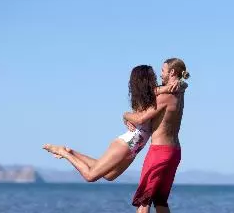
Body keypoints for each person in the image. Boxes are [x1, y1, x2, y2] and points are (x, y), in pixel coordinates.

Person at [42, 65, 186, 182]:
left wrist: (180, 83)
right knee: (90, 176)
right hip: (128, 142)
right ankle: (63, 153)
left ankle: (70, 151)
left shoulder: (152, 94)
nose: (156, 77)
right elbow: (141, 117)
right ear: (146, 79)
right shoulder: (150, 95)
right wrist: (125, 115)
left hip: (136, 147)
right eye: (153, 76)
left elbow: (180, 86)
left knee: (109, 176)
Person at [124, 58, 188, 213]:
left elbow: (142, 117)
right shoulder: (180, 91)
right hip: (174, 152)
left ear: (172, 73)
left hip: (159, 152)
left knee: (144, 199)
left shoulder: (164, 96)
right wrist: (181, 82)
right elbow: (183, 84)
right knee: (160, 200)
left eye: (163, 70)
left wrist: (125, 115)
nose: (160, 74)